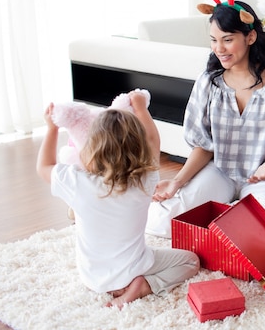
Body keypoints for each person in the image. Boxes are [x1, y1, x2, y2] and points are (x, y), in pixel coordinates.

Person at [146, 1, 265, 238]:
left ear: (250, 37)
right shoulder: (209, 81)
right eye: (213, 40)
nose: (219, 48)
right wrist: (176, 183)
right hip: (220, 172)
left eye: (228, 39)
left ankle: (223, 222)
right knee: (163, 222)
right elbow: (204, 146)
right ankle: (225, 221)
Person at [36, 91, 200, 309]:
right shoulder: (145, 180)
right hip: (134, 270)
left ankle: (129, 286)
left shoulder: (77, 183)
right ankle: (144, 287)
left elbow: (44, 166)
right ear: (138, 146)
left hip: (92, 279)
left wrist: (52, 128)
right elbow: (153, 140)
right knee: (191, 260)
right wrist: (141, 108)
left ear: (90, 149)